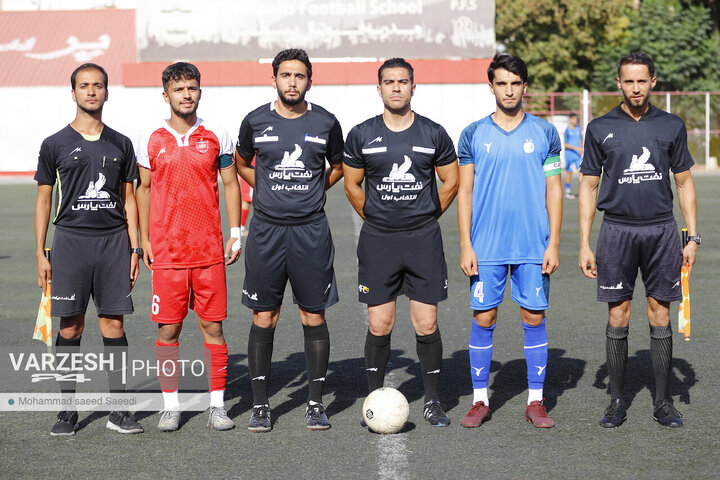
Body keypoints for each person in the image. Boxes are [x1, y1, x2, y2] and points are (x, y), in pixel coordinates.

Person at [578, 52, 698, 428]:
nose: (635, 88)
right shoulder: (599, 128)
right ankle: (616, 402)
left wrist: (692, 236)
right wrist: (584, 242)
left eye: (641, 81)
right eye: (628, 81)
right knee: (618, 313)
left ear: (653, 82)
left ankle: (663, 403)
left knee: (660, 313)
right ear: (619, 83)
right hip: (616, 230)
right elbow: (588, 185)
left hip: (662, 230)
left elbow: (684, 182)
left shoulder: (671, 125)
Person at [343, 58, 458, 428]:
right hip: (379, 241)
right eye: (389, 82)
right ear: (379, 89)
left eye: (403, 81)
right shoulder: (361, 134)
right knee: (380, 323)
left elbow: (451, 182)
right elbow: (352, 185)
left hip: (423, 240)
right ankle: (374, 398)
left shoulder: (433, 133)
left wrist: (425, 217)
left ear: (413, 86)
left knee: (426, 323)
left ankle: (434, 401)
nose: (396, 87)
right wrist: (376, 218)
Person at [234, 48, 344, 432]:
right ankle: (261, 405)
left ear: (309, 80)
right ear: (274, 79)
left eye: (299, 76)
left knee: (313, 314)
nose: (292, 82)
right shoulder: (255, 121)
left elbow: (340, 165)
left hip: (311, 231)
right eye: (285, 75)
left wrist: (315, 190)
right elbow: (242, 161)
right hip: (266, 231)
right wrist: (264, 189)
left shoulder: (327, 122)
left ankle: (315, 404)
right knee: (264, 314)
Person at [34, 63, 143, 436]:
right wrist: (40, 252)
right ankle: (67, 411)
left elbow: (129, 200)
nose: (91, 91)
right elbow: (44, 201)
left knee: (113, 323)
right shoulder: (54, 144)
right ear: (74, 93)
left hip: (114, 244)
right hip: (69, 245)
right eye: (84, 86)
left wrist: (135, 249)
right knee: (70, 325)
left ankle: (119, 411)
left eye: (98, 85)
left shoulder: (122, 143)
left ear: (107, 93)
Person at [457, 54, 563, 429]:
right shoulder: (472, 133)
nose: (509, 90)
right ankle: (480, 400)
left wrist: (553, 243)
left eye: (515, 83)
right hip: (485, 246)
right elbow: (465, 192)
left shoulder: (545, 133)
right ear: (491, 86)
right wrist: (466, 245)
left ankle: (536, 401)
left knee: (533, 316)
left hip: (534, 245)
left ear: (525, 86)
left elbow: (554, 189)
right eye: (501, 83)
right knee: (484, 317)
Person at [135, 62, 241, 432]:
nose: (186, 95)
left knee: (213, 330)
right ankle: (171, 406)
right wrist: (144, 239)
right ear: (166, 95)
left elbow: (230, 184)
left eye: (192, 88)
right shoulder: (150, 139)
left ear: (200, 91)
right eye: (179, 90)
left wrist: (235, 231)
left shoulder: (216, 136)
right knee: (168, 332)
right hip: (167, 254)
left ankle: (217, 405)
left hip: (209, 252)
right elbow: (143, 189)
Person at [563, 112, 583, 199]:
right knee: (569, 172)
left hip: (577, 155)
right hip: (569, 154)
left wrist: (581, 148)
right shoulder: (567, 130)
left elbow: (581, 139)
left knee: (581, 171)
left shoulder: (578, 129)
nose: (575, 120)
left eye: (576, 119)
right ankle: (568, 192)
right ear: (570, 119)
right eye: (574, 119)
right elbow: (565, 145)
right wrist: (577, 148)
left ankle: (583, 191)